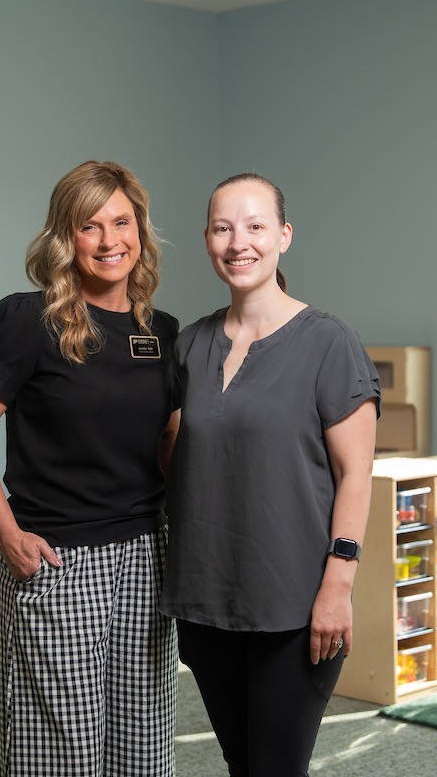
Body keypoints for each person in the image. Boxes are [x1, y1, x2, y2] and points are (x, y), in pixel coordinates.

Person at [0, 160, 180, 777]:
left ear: (140, 229)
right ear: (65, 237)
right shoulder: (26, 320)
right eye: (89, 226)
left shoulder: (163, 334)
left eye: (122, 222)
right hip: (57, 556)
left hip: (146, 556)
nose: (109, 241)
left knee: (145, 737)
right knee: (60, 746)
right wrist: (8, 535)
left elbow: (167, 445)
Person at [160, 173, 380, 776]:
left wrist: (338, 585)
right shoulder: (189, 346)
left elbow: (356, 472)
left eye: (255, 226)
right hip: (207, 602)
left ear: (284, 235)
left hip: (296, 603)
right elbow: (173, 454)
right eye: (224, 228)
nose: (239, 243)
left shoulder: (329, 342)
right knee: (244, 767)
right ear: (207, 239)